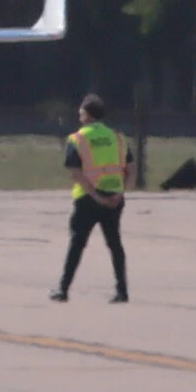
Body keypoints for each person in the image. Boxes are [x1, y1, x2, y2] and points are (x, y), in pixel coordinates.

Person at [51, 94, 129, 303]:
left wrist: (95, 196)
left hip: (88, 198)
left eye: (81, 111)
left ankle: (63, 289)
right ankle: (122, 291)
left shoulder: (78, 138)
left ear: (87, 114)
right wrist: (121, 192)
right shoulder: (117, 137)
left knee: (77, 244)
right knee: (115, 244)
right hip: (114, 197)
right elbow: (130, 167)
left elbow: (75, 171)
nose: (79, 115)